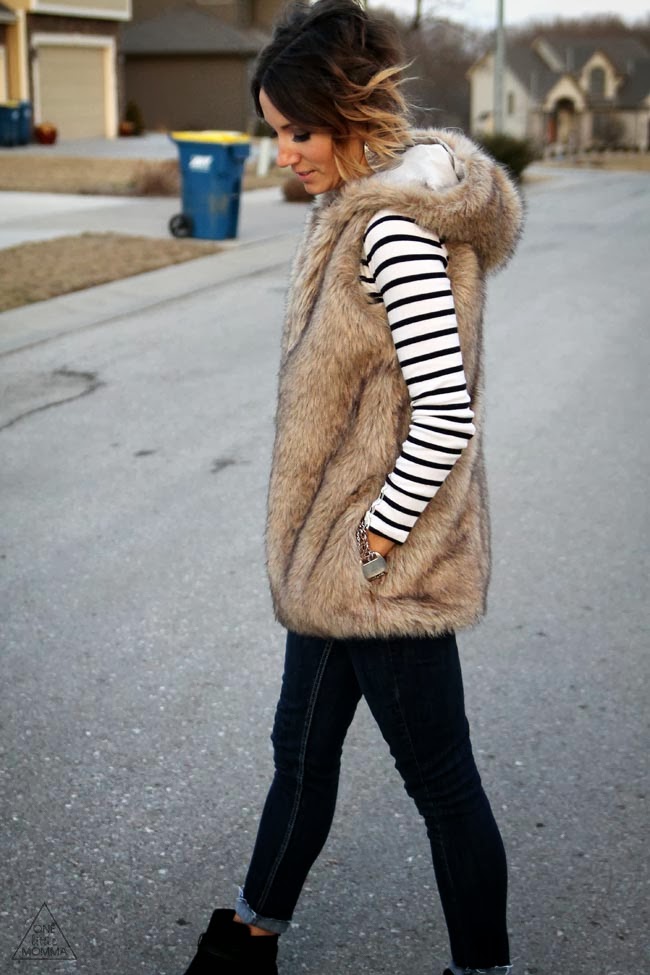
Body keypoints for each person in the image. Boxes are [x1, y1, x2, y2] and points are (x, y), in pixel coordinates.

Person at [178, 1, 523, 973]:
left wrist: (375, 538)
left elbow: (444, 409)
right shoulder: (363, 211)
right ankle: (249, 936)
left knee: (440, 782)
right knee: (300, 750)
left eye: (298, 130)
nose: (283, 153)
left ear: (348, 115)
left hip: (380, 568)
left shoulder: (391, 232)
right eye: (273, 131)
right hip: (340, 562)